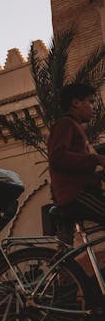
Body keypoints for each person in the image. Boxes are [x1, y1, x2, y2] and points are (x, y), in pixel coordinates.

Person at [47, 83, 105, 224]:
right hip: (77, 193)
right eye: (91, 102)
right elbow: (57, 157)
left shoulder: (75, 127)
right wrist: (96, 159)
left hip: (84, 190)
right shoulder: (66, 124)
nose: (94, 107)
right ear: (76, 102)